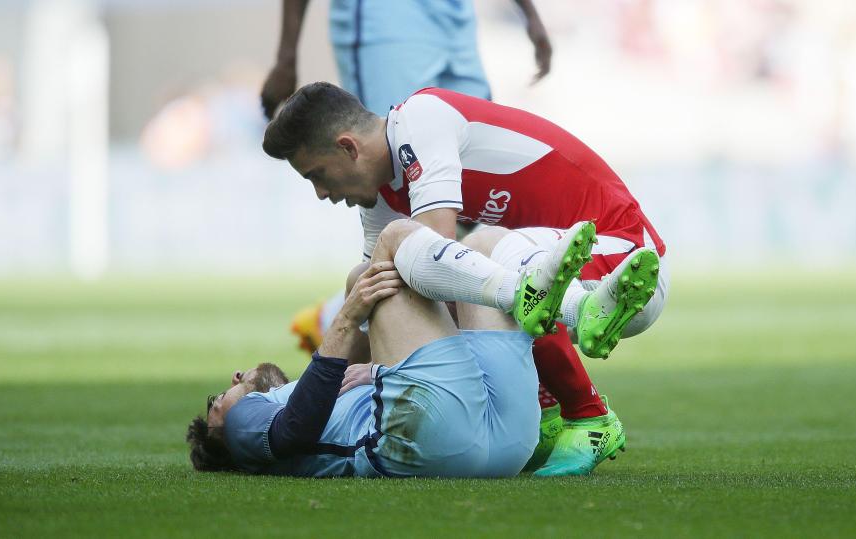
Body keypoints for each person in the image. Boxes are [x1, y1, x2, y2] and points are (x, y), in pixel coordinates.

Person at [261, 82, 671, 476]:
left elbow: (441, 265)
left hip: (623, 267)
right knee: (432, 276)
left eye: (315, 174)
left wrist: (381, 371)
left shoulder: (420, 120)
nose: (320, 193)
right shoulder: (379, 202)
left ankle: (589, 416)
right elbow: (383, 306)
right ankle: (547, 413)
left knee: (476, 257)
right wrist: (309, 404)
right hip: (557, 272)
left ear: (347, 147)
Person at [187, 220, 653, 476]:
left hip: (502, 446)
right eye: (216, 403)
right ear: (223, 433)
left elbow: (321, 405)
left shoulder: (309, 397)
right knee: (388, 246)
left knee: (485, 241)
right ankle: (562, 304)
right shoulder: (245, 427)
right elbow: (292, 431)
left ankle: (585, 307)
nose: (230, 382)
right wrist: (347, 315)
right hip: (428, 442)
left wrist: (374, 372)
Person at [260, 0, 551, 119]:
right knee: (396, 166)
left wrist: (530, 14)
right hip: (384, 17)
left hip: (455, 18)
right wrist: (286, 57)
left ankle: (440, 249)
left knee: (475, 162)